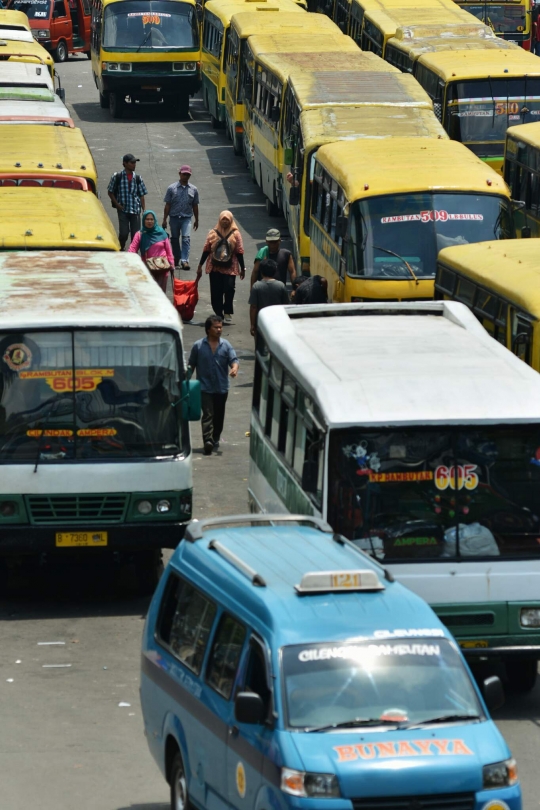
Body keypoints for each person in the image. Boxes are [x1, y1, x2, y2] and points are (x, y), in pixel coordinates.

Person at [188, 315, 239, 455]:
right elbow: (191, 365)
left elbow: (234, 360)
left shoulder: (226, 345)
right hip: (204, 387)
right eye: (216, 327)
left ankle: (215, 437)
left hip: (221, 388)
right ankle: (208, 441)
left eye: (220, 327)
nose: (219, 330)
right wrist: (185, 380)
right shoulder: (198, 346)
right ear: (208, 329)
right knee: (208, 414)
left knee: (219, 415)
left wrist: (234, 368)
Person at [196, 210, 245, 323]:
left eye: (227, 220)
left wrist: (243, 268)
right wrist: (200, 265)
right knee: (215, 291)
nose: (225, 222)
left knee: (229, 288)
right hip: (215, 266)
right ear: (219, 220)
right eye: (223, 219)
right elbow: (206, 249)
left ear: (231, 220)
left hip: (230, 267)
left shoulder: (236, 234)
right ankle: (219, 313)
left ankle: (227, 310)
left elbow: (240, 251)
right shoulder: (213, 233)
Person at [162, 164, 199, 271]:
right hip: (174, 217)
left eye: (188, 175)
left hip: (186, 218)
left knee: (186, 238)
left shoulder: (194, 189)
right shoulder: (171, 188)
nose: (185, 177)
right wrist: (164, 219)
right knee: (174, 239)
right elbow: (167, 204)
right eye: (184, 174)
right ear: (180, 174)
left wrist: (197, 219)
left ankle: (185, 260)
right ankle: (176, 257)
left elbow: (195, 205)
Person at [107, 154, 148, 250]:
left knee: (136, 235)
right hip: (123, 210)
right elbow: (110, 191)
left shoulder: (138, 178)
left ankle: (133, 253)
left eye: (135, 163)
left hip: (135, 210)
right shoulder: (117, 177)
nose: (134, 165)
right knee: (124, 233)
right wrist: (117, 204)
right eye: (132, 162)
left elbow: (141, 195)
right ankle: (121, 248)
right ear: (124, 164)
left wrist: (144, 209)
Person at [128, 210, 175, 292]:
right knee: (149, 293)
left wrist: (172, 264)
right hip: (148, 268)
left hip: (162, 268)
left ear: (155, 220)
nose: (149, 221)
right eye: (147, 219)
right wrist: (129, 261)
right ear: (143, 221)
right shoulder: (140, 234)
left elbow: (168, 250)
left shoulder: (162, 233)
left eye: (151, 219)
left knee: (161, 293)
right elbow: (132, 249)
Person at [249, 258, 289, 337]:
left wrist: (252, 325)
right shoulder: (281, 285)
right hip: (277, 320)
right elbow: (286, 304)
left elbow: (253, 307)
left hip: (261, 321)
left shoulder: (256, 286)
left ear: (261, 272)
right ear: (274, 271)